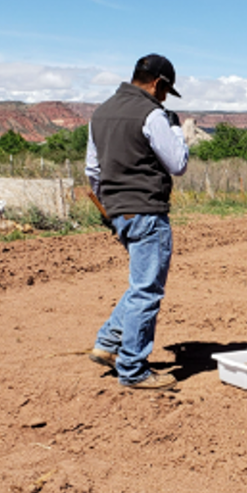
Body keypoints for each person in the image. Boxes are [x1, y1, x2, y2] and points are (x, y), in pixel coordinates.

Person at [85, 54, 189, 390]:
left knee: (141, 283)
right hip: (146, 210)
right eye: (166, 91)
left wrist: (111, 208)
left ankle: (107, 343)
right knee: (147, 291)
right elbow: (177, 164)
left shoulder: (100, 113)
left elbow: (93, 171)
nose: (164, 98)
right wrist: (176, 128)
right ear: (158, 83)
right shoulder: (152, 114)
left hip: (118, 212)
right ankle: (133, 369)